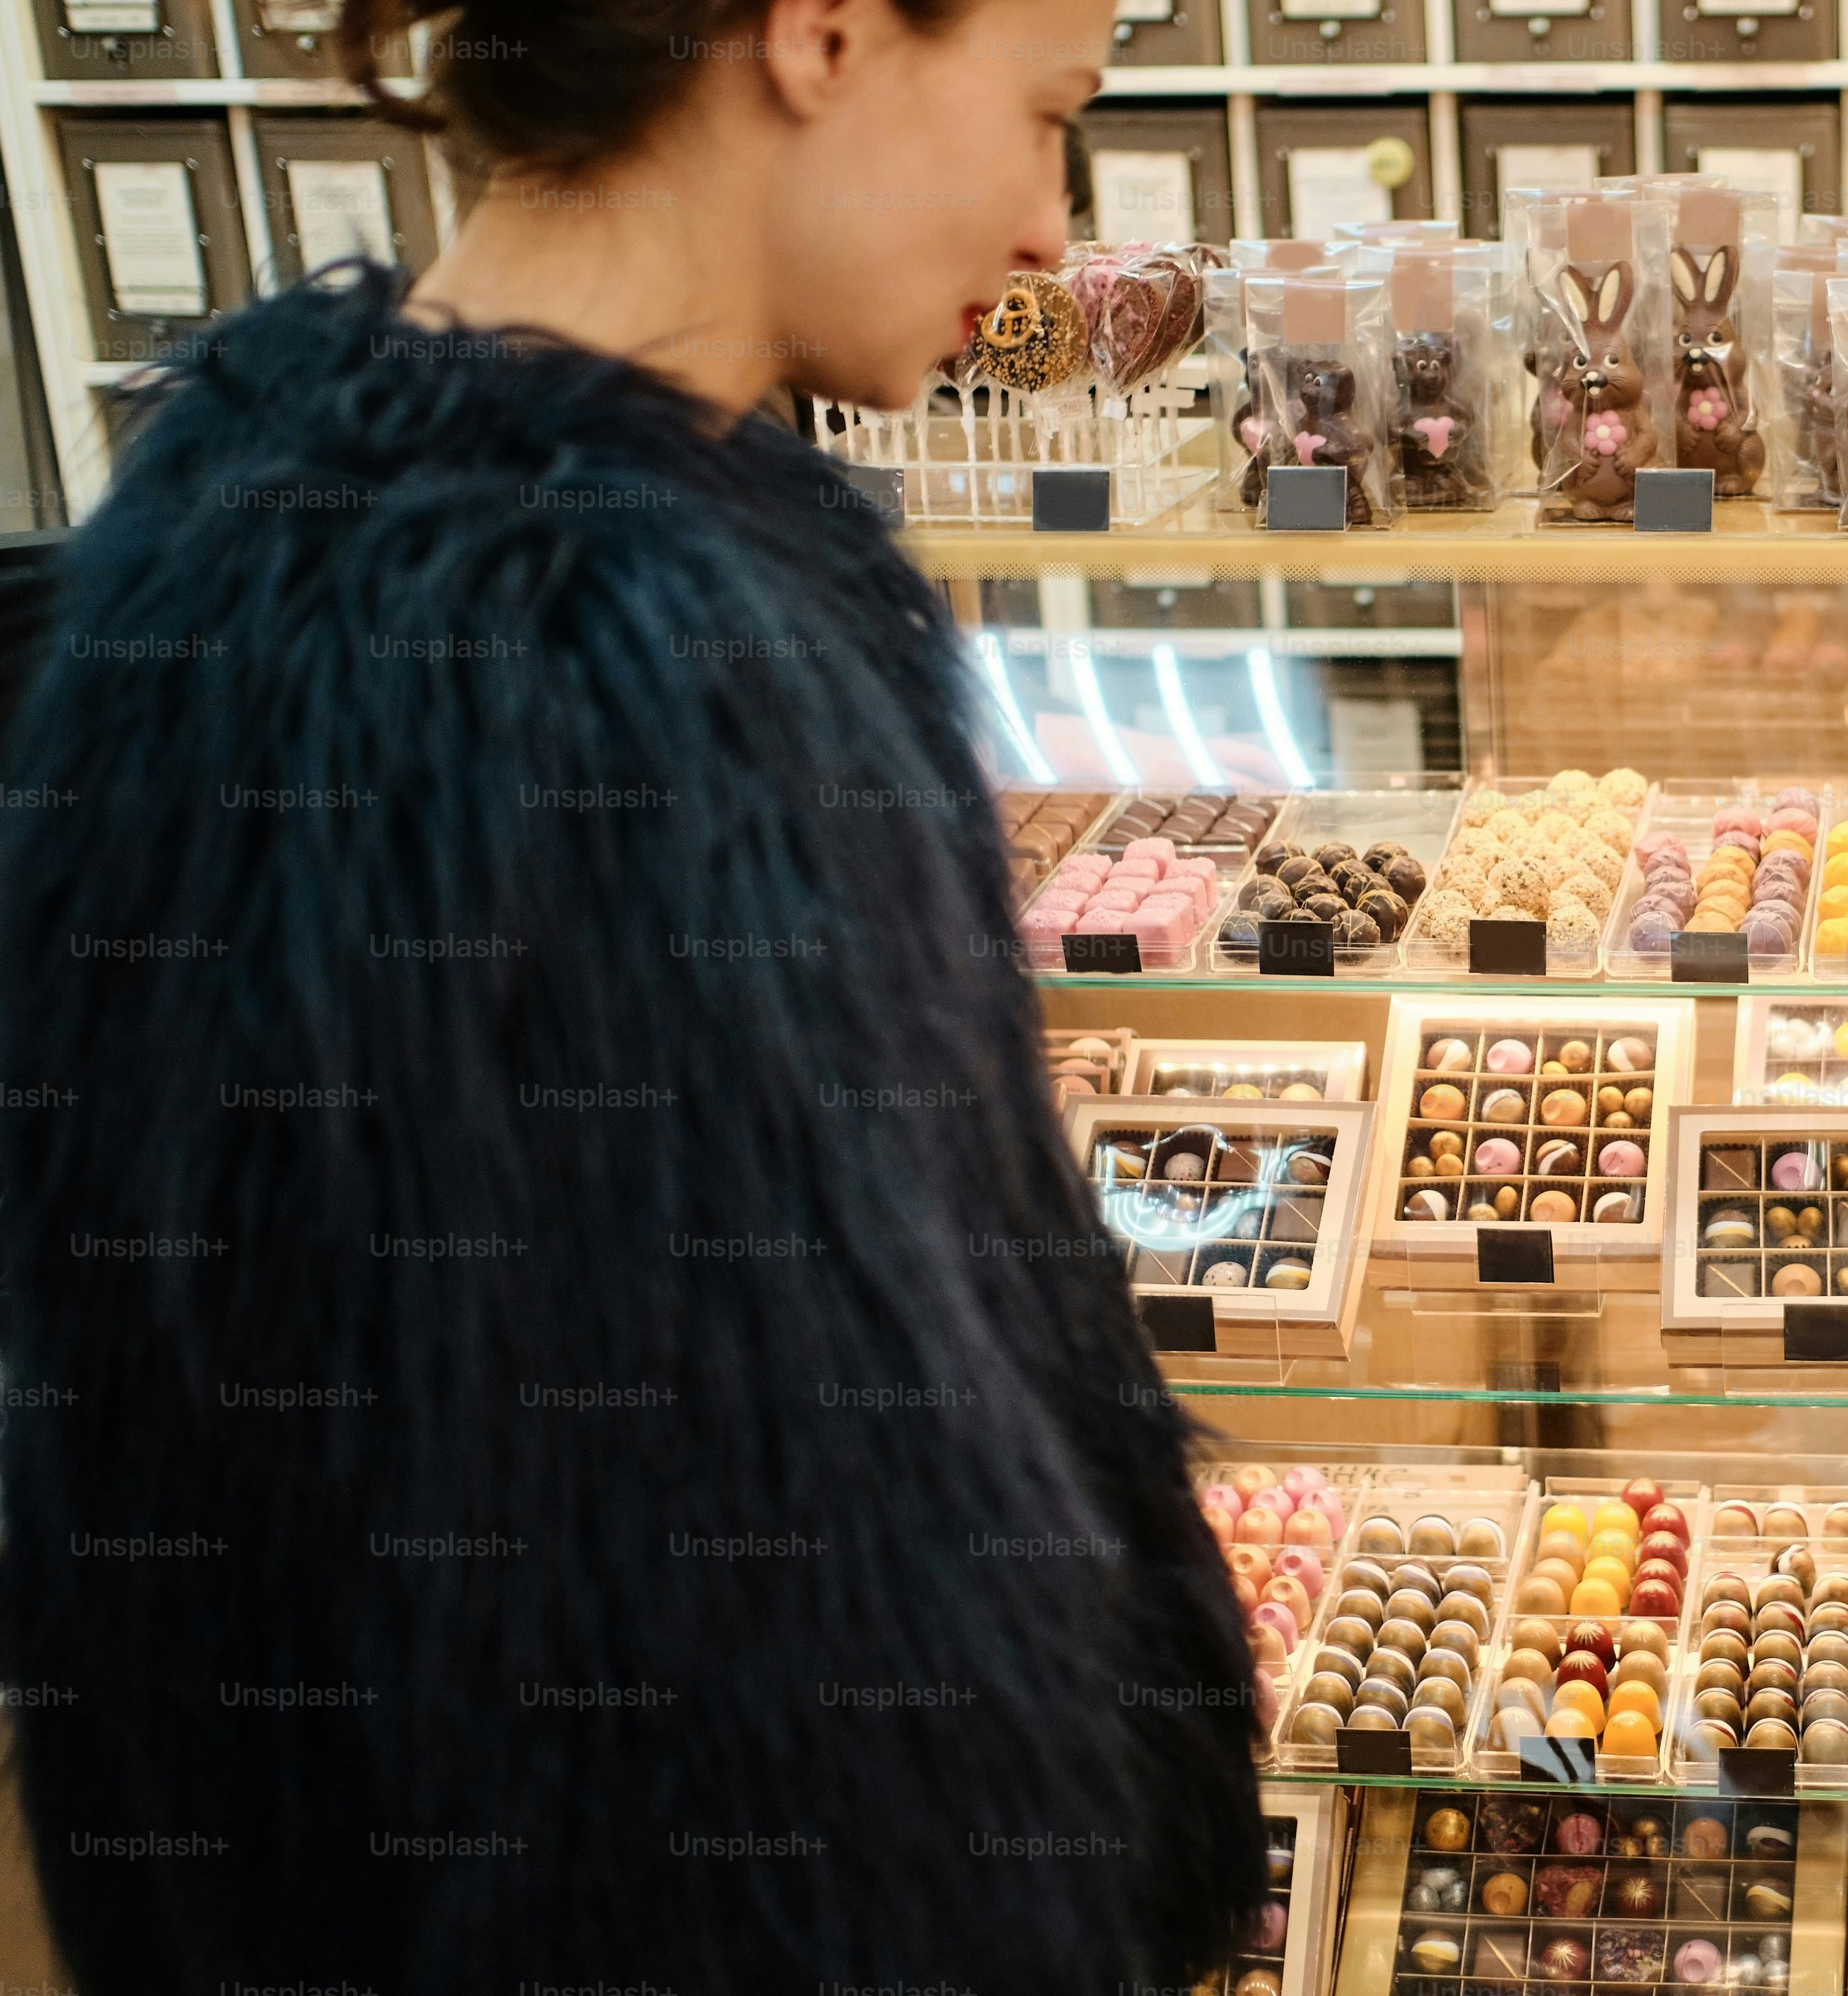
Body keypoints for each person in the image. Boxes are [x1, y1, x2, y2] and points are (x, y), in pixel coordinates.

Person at [0, 0, 1270, 1987]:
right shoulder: (609, 689)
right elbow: (747, 1708)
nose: (1051, 227)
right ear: (825, 33)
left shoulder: (225, 542)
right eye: (1050, 115)